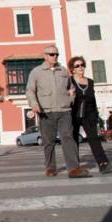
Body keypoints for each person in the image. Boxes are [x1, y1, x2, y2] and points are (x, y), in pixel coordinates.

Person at [26, 45, 91, 178]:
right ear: (45, 56)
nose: (54, 56)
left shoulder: (63, 71)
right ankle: (50, 167)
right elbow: (30, 90)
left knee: (68, 138)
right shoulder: (36, 72)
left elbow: (71, 87)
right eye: (51, 54)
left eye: (56, 54)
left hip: (64, 110)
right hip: (46, 112)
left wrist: (71, 98)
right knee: (48, 141)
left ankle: (73, 169)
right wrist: (34, 104)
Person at [68, 56, 112, 174]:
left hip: (89, 114)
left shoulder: (90, 82)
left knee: (94, 138)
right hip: (73, 114)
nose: (81, 67)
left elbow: (93, 100)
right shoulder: (69, 81)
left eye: (82, 65)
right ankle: (74, 166)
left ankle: (103, 163)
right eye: (77, 66)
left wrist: (95, 115)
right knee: (74, 140)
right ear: (72, 69)